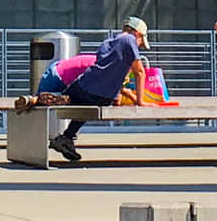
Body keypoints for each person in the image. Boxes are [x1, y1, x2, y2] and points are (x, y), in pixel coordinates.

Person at [46, 17, 150, 163]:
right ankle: (66, 137)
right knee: (83, 106)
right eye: (141, 42)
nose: (139, 47)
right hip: (101, 96)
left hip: (86, 86)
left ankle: (63, 131)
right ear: (137, 33)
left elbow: (104, 71)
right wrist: (140, 101)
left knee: (70, 99)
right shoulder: (129, 40)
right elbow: (139, 71)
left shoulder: (107, 43)